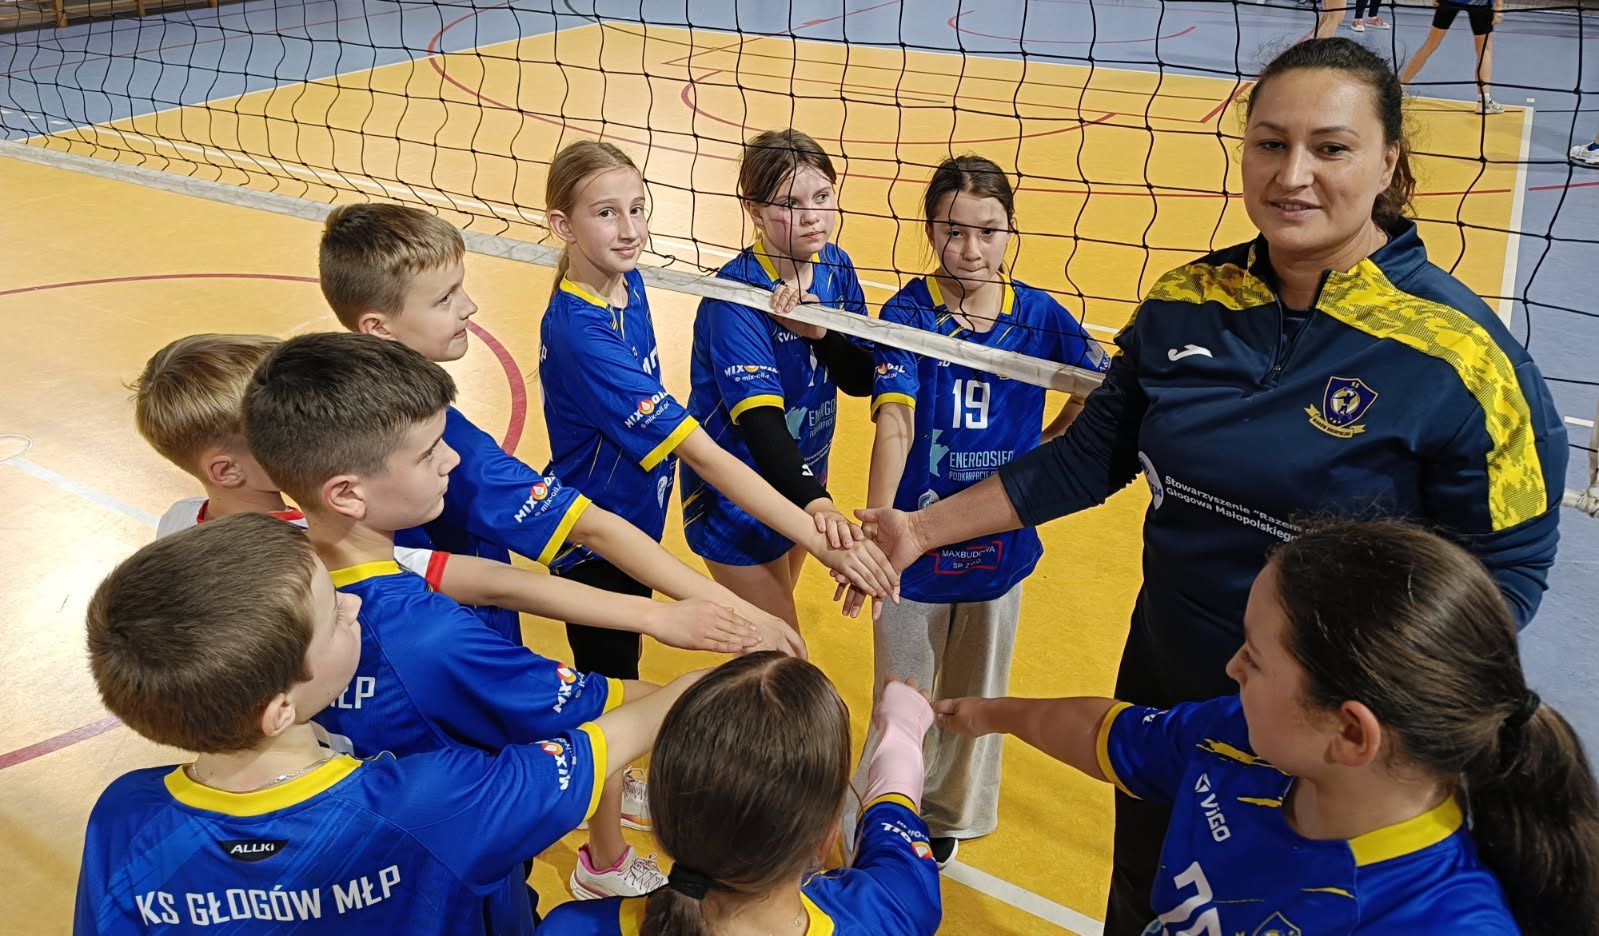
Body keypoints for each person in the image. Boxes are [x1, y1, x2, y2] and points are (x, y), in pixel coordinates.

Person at [857, 37, 1568, 936]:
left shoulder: (1464, 363)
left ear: (1389, 161)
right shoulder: (1188, 301)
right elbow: (1086, 456)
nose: (1292, 175)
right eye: (1269, 144)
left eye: (1330, 147)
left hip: (1330, 738)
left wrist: (1369, 698)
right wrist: (920, 530)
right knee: (1146, 898)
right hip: (1170, 687)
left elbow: (1505, 574)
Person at [935, 520, 1599, 933]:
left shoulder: (1434, 917)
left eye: (1253, 657)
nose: (1231, 667)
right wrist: (991, 714)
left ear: (1351, 733)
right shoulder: (1241, 739)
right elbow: (1113, 734)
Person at [74, 512, 708, 935]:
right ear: (280, 709)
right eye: (333, 616)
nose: (354, 603)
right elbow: (618, 733)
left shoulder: (122, 816)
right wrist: (721, 677)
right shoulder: (436, 800)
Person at [243, 332, 665, 899]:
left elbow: (489, 581)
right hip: (457, 882)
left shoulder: (275, 569)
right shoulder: (428, 636)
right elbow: (604, 711)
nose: (453, 459)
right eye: (428, 453)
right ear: (345, 493)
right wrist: (731, 686)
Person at [319, 203, 800, 658]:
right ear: (378, 327)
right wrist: (739, 613)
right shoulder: (449, 446)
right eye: (444, 299)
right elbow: (588, 532)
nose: (470, 306)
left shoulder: (340, 396)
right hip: (455, 644)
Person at [130, 332, 762, 655]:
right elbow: (497, 584)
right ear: (227, 469)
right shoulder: (317, 554)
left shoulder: (180, 525)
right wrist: (656, 618)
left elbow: (496, 580)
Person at [537, 139, 897, 681]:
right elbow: (709, 451)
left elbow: (859, 376)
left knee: (750, 654)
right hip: (609, 530)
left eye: (637, 208)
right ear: (564, 226)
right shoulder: (587, 334)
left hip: (656, 513)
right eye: (607, 213)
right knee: (769, 665)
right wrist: (823, 529)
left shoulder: (627, 284)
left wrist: (820, 333)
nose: (631, 230)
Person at [847, 154, 1110, 866]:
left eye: (987, 231)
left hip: (999, 544)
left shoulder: (1040, 315)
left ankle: (946, 816)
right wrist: (876, 527)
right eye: (952, 231)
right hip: (914, 549)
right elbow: (895, 422)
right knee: (901, 694)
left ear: (1009, 230)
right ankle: (884, 814)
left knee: (974, 697)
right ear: (931, 230)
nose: (969, 249)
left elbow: (1099, 386)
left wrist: (1049, 448)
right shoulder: (908, 313)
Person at [539, 652, 943, 935]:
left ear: (661, 814)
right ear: (824, 840)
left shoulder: (568, 927)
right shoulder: (889, 911)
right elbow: (894, 814)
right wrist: (903, 726)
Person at [681, 128, 876, 629]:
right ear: (754, 209)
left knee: (760, 638)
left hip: (804, 477)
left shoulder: (835, 266)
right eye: (790, 203)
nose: (812, 216)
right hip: (740, 500)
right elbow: (762, 426)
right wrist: (820, 506)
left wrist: (820, 332)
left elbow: (861, 378)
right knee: (782, 648)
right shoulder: (737, 298)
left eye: (822, 196)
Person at [1399, 0, 1506, 114]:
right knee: (1484, 50)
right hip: (1479, 3)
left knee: (1430, 44)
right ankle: (1484, 102)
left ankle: (1399, 87)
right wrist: (1499, 6)